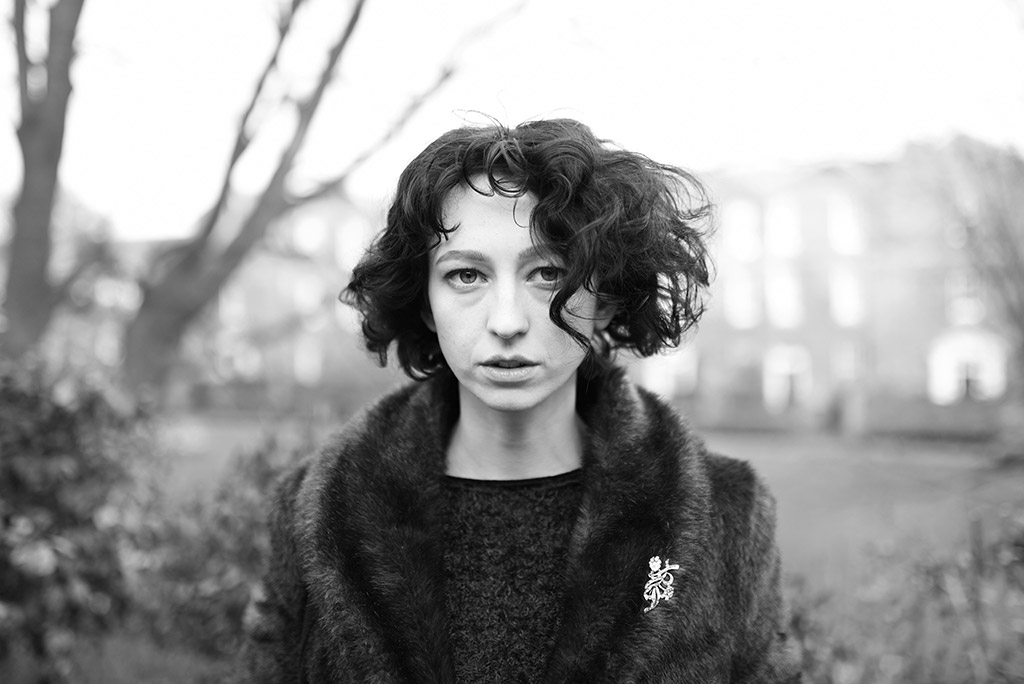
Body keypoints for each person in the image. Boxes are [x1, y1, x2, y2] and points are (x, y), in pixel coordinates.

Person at [232, 118, 801, 683]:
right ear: (425, 301)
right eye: (465, 276)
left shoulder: (728, 514)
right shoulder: (316, 510)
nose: (507, 322)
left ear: (605, 297)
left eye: (549, 273)